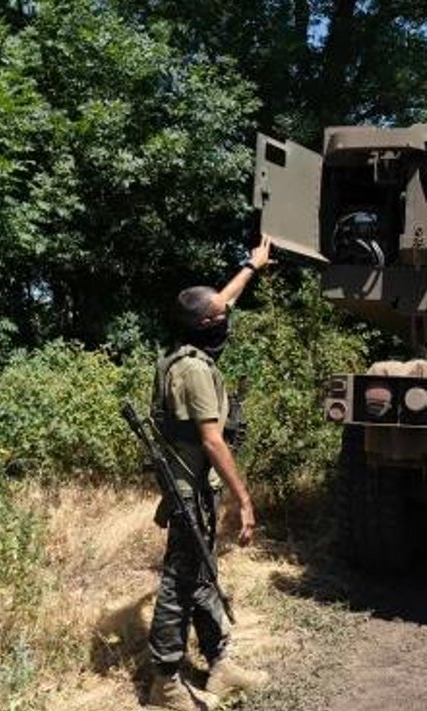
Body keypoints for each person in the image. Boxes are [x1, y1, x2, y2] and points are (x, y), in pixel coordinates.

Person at [145, 234, 273, 711]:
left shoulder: (191, 347)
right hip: (188, 489)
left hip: (197, 487)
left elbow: (222, 301)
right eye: (220, 314)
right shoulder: (194, 371)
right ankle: (165, 683)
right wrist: (245, 500)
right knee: (179, 583)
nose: (228, 315)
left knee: (201, 574)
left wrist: (252, 266)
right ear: (205, 325)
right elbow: (212, 440)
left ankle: (220, 664)